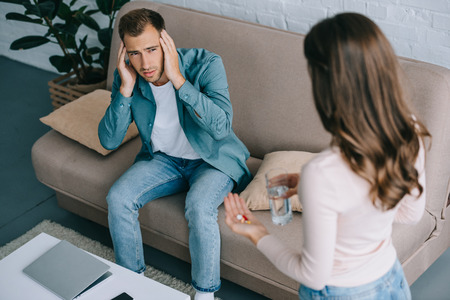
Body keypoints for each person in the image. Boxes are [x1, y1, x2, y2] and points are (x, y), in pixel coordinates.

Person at [224, 12, 431, 300]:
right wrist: (319, 190)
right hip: (390, 279)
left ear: (328, 87)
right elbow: (410, 212)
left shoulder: (322, 173)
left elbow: (313, 274)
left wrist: (254, 229)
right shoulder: (409, 130)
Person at [98, 8, 252, 300]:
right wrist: (126, 89)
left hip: (212, 161)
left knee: (198, 205)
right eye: (134, 53)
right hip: (164, 160)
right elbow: (109, 140)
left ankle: (205, 294)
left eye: (151, 49)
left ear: (165, 41)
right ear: (125, 53)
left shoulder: (206, 63)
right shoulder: (129, 75)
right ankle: (133, 285)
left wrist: (179, 80)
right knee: (118, 197)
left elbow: (221, 128)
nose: (145, 63)